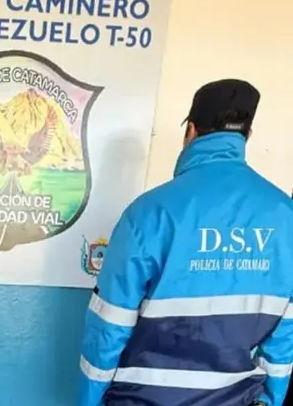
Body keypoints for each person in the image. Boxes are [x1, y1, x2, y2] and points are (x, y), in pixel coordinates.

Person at [78, 79, 293, 406]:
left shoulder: (148, 213)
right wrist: (271, 399)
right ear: (247, 135)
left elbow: (109, 326)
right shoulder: (285, 215)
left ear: (191, 130)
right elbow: (284, 336)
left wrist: (89, 401)